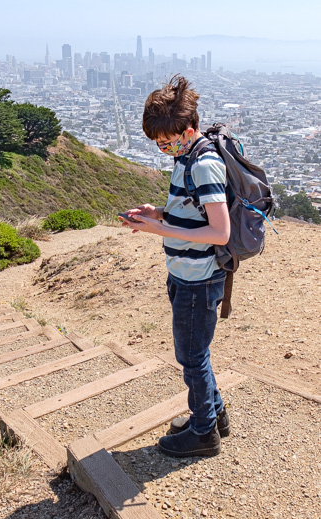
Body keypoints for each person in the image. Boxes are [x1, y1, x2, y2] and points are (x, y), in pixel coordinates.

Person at [120, 75, 231, 458]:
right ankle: (214, 413)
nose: (166, 149)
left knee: (191, 356)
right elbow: (192, 213)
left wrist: (159, 228)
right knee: (196, 351)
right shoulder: (187, 156)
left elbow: (219, 231)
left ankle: (203, 433)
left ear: (191, 128)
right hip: (185, 272)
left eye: (170, 141)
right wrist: (159, 213)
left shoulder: (202, 163)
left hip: (198, 278)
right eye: (159, 144)